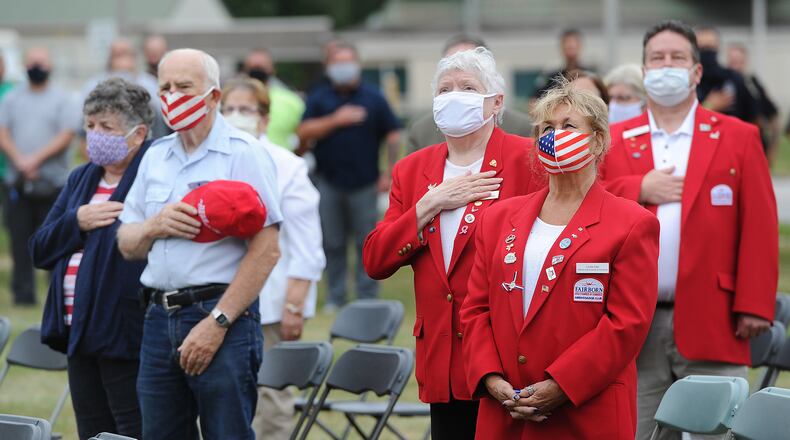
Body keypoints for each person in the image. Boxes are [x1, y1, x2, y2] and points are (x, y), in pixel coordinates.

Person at [599, 20, 777, 440]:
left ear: (697, 72)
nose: (666, 65)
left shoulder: (738, 136)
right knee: (633, 432)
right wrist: (637, 188)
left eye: (677, 57)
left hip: (716, 317)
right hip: (631, 324)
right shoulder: (614, 140)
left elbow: (760, 224)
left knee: (717, 432)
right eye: (656, 58)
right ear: (644, 71)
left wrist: (754, 303)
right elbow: (589, 204)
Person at [460, 78, 659, 439]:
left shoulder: (632, 223)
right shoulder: (497, 218)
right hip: (505, 411)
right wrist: (490, 377)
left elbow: (626, 325)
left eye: (568, 126)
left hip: (585, 412)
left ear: (598, 140)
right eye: (546, 129)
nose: (555, 136)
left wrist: (561, 385)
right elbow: (475, 309)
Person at [364, 47, 543, 439]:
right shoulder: (412, 169)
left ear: (496, 102)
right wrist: (428, 205)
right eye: (445, 90)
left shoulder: (527, 160)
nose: (454, 96)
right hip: (442, 355)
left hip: (507, 350)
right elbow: (376, 260)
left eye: (467, 87)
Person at [117, 48, 283, 440]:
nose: (172, 96)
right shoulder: (155, 156)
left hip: (219, 315)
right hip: (158, 317)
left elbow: (267, 249)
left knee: (226, 432)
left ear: (213, 96)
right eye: (165, 87)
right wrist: (153, 226)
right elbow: (126, 241)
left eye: (184, 86)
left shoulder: (244, 154)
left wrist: (218, 322)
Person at [30, 78, 152, 440]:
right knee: (92, 429)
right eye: (90, 126)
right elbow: (40, 249)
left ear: (138, 133)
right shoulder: (81, 178)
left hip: (124, 330)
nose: (94, 135)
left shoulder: (153, 173)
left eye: (106, 127)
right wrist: (77, 221)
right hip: (77, 330)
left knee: (131, 430)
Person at [220, 77, 326, 440]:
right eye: (229, 109)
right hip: (215, 300)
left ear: (264, 118)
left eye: (246, 110)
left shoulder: (286, 165)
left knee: (271, 395)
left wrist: (295, 303)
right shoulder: (212, 160)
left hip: (272, 300)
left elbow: (307, 242)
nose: (237, 116)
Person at [297, 41, 402, 312]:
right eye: (337, 62)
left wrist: (389, 172)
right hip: (328, 182)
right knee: (332, 242)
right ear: (329, 66)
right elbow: (304, 131)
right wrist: (335, 120)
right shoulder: (319, 98)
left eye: (348, 61)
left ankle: (367, 296)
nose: (343, 67)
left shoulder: (374, 97)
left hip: (365, 183)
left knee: (366, 241)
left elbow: (392, 133)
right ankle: (336, 296)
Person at [0, 46, 80, 305]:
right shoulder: (12, 99)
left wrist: (36, 158)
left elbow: (67, 134)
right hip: (19, 182)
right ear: (24, 65)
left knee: (54, 242)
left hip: (53, 185)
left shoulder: (63, 99)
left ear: (50, 65)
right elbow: (3, 131)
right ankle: (23, 296)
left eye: (41, 62)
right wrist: (20, 160)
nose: (36, 66)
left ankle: (56, 296)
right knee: (19, 240)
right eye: (32, 62)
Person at [405, 35, 532, 154]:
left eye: (468, 88)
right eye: (445, 89)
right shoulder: (421, 132)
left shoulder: (522, 129)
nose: (459, 66)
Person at [82, 38, 169, 140]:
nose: (122, 60)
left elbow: (160, 112)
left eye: (126, 54)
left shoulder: (148, 82)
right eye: (117, 55)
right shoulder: (94, 83)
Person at [242, 48, 305, 150]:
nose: (257, 71)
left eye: (261, 67)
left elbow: (303, 135)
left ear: (272, 69)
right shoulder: (233, 101)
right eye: (253, 67)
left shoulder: (291, 101)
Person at [726, 42, 780, 161]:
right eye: (732, 62)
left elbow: (772, 115)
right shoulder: (723, 85)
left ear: (745, 62)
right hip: (731, 145)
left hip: (755, 145)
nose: (735, 67)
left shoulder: (753, 84)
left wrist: (773, 147)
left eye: (738, 62)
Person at [695, 26, 758, 124]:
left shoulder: (734, 79)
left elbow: (752, 116)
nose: (707, 53)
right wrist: (709, 106)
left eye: (710, 48)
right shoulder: (690, 81)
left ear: (718, 47)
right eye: (703, 48)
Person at [532, 29, 595, 100]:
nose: (570, 46)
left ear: (580, 46)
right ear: (561, 48)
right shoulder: (552, 78)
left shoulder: (590, 76)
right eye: (567, 44)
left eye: (573, 45)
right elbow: (534, 100)